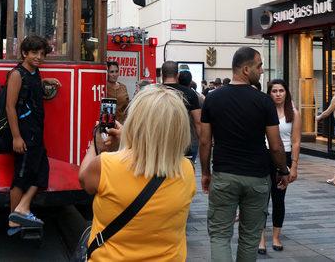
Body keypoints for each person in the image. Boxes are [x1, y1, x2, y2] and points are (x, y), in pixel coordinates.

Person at [78, 85, 196, 261]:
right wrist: (127, 140)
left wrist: (95, 145)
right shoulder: (187, 169)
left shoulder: (107, 165)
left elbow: (84, 180)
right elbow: (155, 152)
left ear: (134, 121)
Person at [199, 46, 289, 261]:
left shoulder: (213, 98)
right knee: (249, 238)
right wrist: (283, 170)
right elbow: (275, 146)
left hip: (224, 175)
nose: (262, 71)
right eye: (259, 66)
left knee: (220, 235)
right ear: (246, 69)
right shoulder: (264, 101)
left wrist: (205, 172)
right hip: (256, 178)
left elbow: (204, 141)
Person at [6, 35, 61, 234]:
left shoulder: (34, 72)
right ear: (24, 53)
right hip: (24, 132)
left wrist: (46, 80)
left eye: (41, 54)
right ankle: (14, 218)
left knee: (41, 170)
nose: (39, 57)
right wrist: (16, 137)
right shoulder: (16, 74)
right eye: (34, 53)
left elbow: (32, 85)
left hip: (35, 131)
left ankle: (21, 209)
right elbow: (10, 107)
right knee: (21, 176)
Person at [258, 79, 301, 254]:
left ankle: (276, 236)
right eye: (274, 91)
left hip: (285, 157)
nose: (277, 94)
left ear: (286, 92)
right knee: (261, 198)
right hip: (264, 156)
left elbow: (296, 141)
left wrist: (295, 166)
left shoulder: (294, 113)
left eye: (281, 91)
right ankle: (261, 239)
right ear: (269, 94)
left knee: (278, 198)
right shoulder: (263, 111)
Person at [160, 61, 201, 163]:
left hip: (160, 143)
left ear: (162, 75)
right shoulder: (189, 93)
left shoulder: (154, 91)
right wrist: (202, 142)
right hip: (184, 142)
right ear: (177, 75)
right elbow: (198, 121)